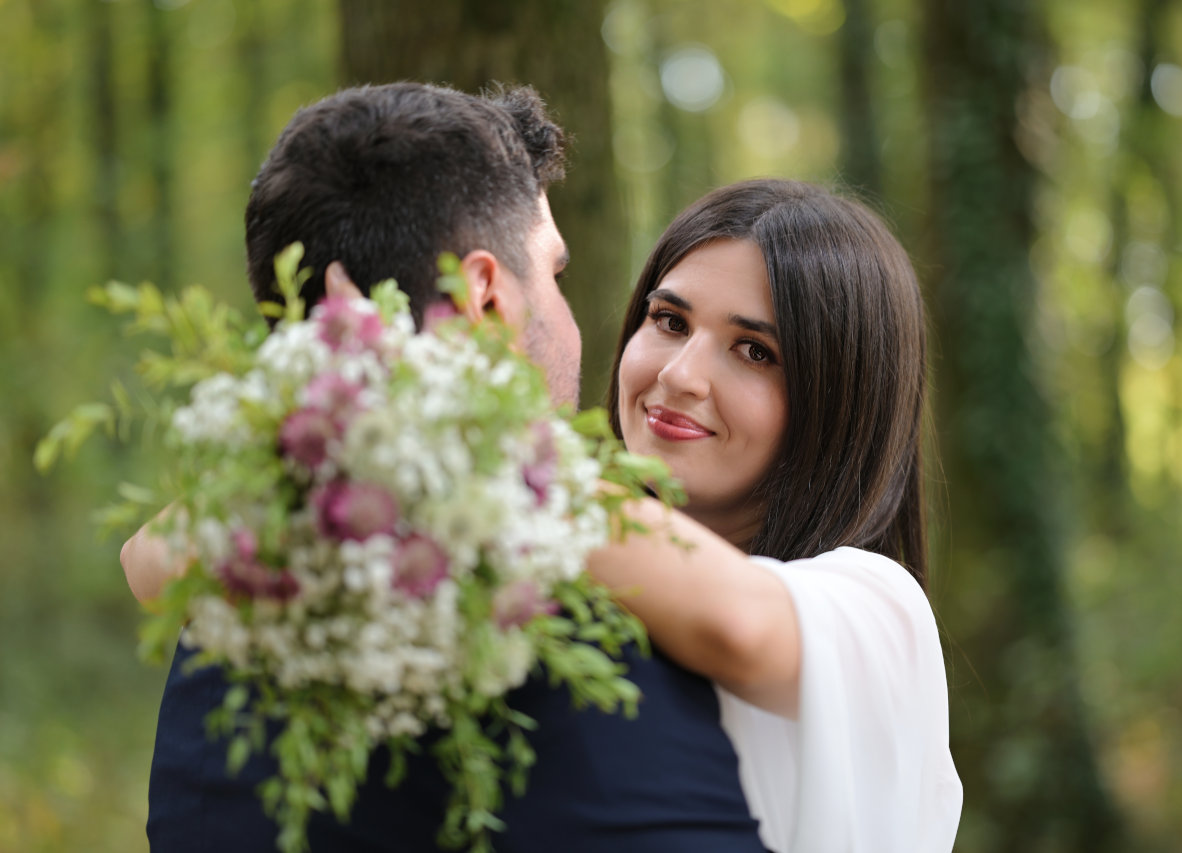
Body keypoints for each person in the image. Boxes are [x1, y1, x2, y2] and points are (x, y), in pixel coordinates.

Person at [131, 82, 769, 853]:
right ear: (485, 294)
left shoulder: (219, 622)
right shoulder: (608, 643)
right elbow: (755, 628)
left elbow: (148, 556)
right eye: (555, 275)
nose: (572, 317)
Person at [583, 179, 963, 852]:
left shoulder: (878, 606)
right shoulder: (571, 579)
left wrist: (484, 455)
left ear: (837, 404)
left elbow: (737, 625)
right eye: (669, 320)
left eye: (755, 351)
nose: (681, 375)